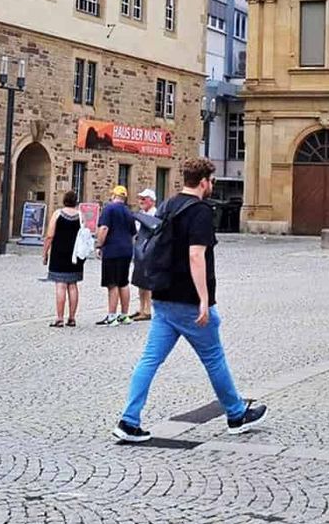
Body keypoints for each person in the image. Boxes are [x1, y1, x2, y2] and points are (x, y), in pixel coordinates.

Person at [114, 157, 266, 442]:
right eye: (212, 181)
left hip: (162, 296)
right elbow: (196, 255)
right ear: (205, 181)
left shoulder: (169, 205)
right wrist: (204, 300)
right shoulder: (199, 212)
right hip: (187, 300)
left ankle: (128, 420)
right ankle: (235, 414)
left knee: (149, 360)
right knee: (214, 357)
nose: (212, 186)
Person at [96, 184, 137, 325]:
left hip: (112, 250)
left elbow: (104, 228)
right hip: (126, 250)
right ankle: (124, 315)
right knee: (123, 282)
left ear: (113, 195)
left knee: (112, 283)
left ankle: (112, 316)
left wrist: (99, 245)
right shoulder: (128, 211)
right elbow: (133, 232)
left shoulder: (109, 208)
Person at [42, 190, 85, 327]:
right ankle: (72, 318)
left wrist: (45, 252)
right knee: (73, 285)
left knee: (60, 285)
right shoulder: (80, 215)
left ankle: (59, 318)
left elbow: (50, 235)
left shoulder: (58, 214)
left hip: (59, 253)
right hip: (75, 254)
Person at [130, 188, 159, 320]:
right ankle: (142, 307)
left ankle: (148, 309)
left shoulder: (155, 214)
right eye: (140, 198)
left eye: (144, 199)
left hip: (150, 251)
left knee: (147, 281)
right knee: (140, 280)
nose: (141, 201)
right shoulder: (141, 213)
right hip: (140, 249)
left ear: (151, 201)